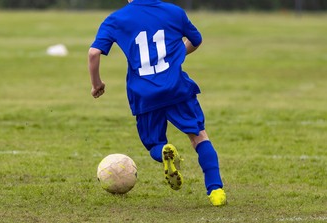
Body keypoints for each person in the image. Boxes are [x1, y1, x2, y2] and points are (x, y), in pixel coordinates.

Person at [88, 0, 227, 206]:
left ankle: (164, 153)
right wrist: (174, 55)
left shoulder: (116, 19)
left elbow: (93, 53)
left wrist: (96, 84)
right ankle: (216, 191)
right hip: (176, 87)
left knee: (154, 143)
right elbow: (195, 40)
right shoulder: (174, 12)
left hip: (144, 93)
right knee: (199, 137)